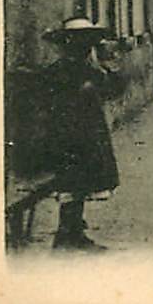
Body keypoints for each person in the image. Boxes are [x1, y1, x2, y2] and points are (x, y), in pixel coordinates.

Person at [35, 17, 124, 250]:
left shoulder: (90, 68)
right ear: (68, 43)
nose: (85, 45)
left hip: (88, 134)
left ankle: (73, 233)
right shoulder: (60, 70)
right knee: (72, 185)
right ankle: (67, 235)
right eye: (79, 40)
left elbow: (113, 89)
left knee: (81, 185)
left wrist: (108, 67)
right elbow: (49, 104)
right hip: (67, 137)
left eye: (89, 41)